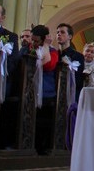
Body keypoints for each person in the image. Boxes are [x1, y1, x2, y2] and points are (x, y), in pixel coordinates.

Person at [30, 24, 59, 154]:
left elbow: (48, 64)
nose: (33, 43)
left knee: (43, 123)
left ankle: (41, 147)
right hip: (30, 91)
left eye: (36, 41)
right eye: (32, 40)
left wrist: (46, 45)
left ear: (43, 39)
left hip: (46, 93)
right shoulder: (30, 49)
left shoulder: (52, 52)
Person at [56, 23, 84, 100]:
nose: (59, 34)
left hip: (71, 94)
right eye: (57, 32)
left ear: (70, 36)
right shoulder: (54, 54)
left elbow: (78, 79)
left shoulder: (78, 56)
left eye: (62, 32)